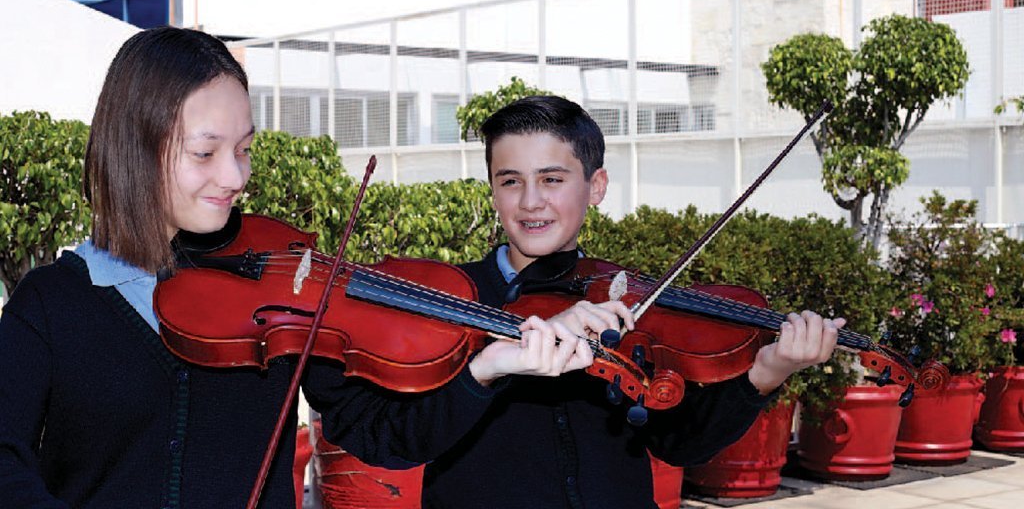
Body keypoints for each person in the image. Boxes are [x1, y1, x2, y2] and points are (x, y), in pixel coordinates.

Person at [305, 95, 845, 509]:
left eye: (553, 179)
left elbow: (678, 440)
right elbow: (388, 438)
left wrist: (766, 372)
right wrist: (482, 373)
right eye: (510, 181)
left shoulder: (624, 304)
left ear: (597, 185)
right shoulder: (447, 301)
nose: (531, 200)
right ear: (492, 189)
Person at [0, 27, 308, 508]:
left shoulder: (274, 289)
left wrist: (469, 376)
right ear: (137, 148)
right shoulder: (47, 307)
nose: (235, 177)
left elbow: (382, 430)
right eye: (205, 153)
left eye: (243, 149)